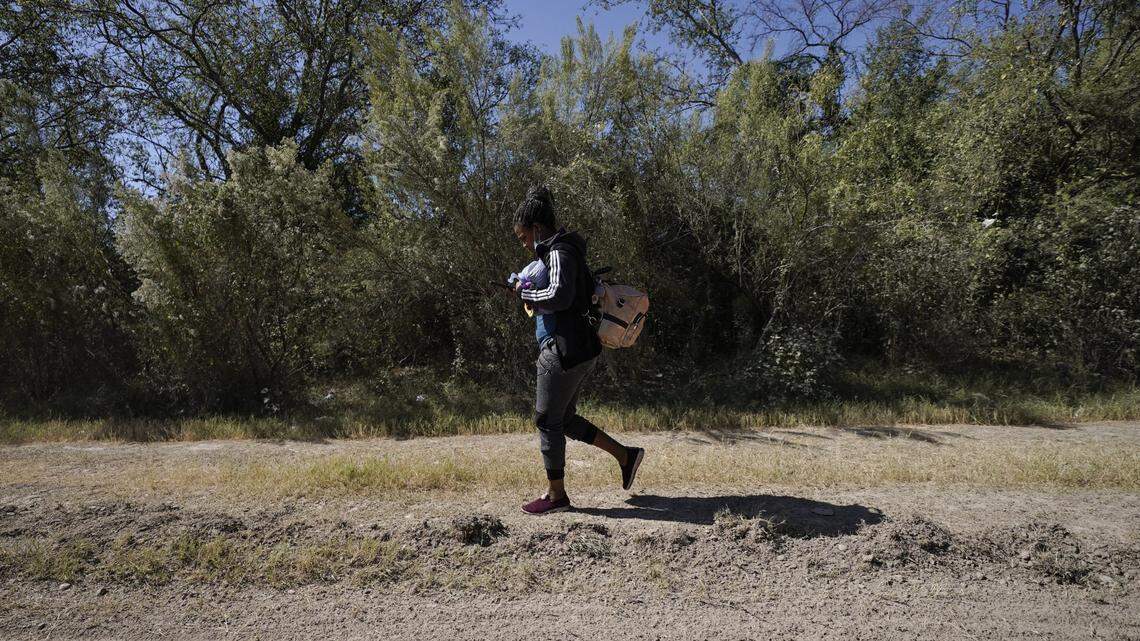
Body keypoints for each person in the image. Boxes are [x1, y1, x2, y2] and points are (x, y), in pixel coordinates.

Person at [509, 185, 645, 515]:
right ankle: (626, 456)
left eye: (525, 238)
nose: (526, 245)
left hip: (564, 349)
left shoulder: (558, 253)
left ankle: (556, 497)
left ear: (537, 229)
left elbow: (559, 297)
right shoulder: (566, 252)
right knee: (563, 418)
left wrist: (526, 297)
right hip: (579, 348)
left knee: (546, 421)